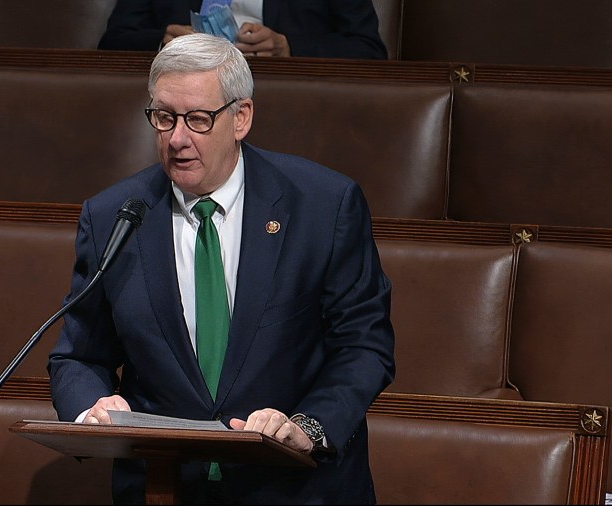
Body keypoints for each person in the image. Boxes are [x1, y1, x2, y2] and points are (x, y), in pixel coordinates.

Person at [48, 32, 395, 504]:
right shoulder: (116, 215)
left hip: (296, 487)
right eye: (164, 118)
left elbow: (364, 345)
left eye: (197, 119)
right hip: (164, 488)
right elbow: (79, 355)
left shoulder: (323, 206)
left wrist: (307, 426)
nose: (177, 139)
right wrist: (92, 409)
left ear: (241, 118)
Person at [97, 0, 388, 60]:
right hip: (185, 87)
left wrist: (289, 48)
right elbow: (112, 42)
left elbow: (368, 50)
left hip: (284, 94)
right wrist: (164, 42)